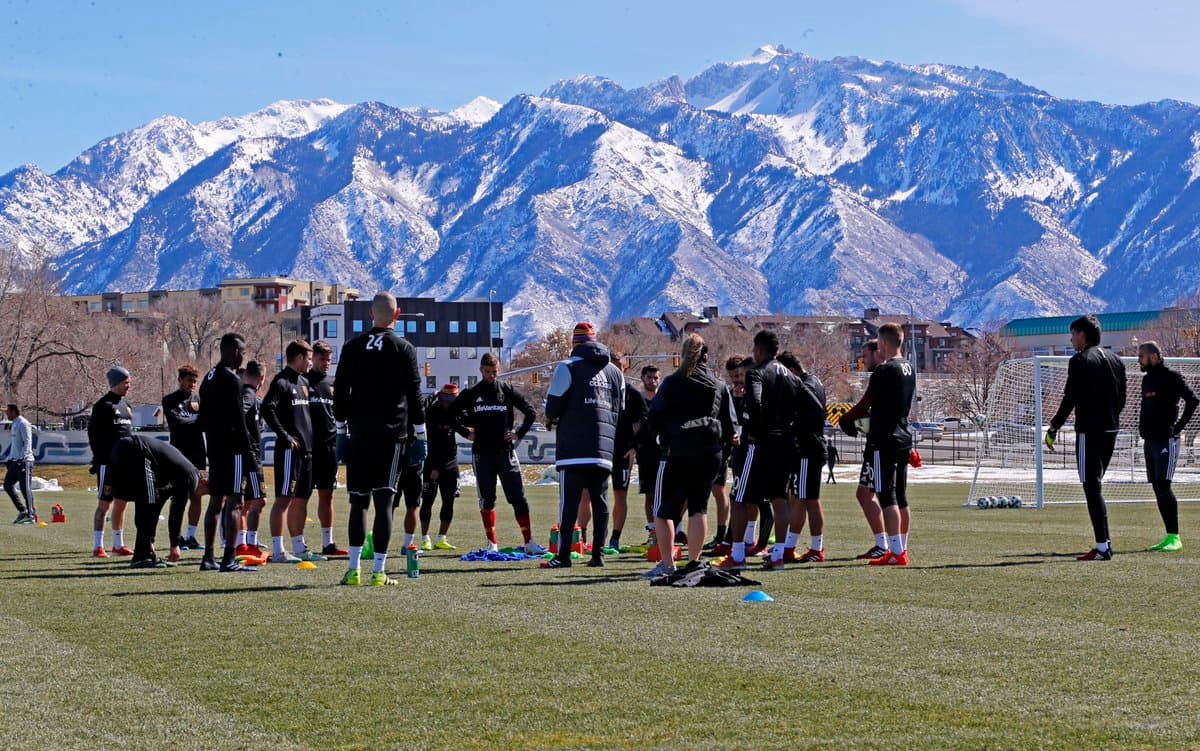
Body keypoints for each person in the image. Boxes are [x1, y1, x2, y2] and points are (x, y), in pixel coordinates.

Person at [333, 292, 426, 586]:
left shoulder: (352, 347)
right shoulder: (404, 348)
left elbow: (340, 393)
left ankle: (353, 570)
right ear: (396, 316)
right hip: (392, 436)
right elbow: (414, 396)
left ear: (371, 315)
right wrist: (421, 435)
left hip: (359, 434)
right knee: (384, 502)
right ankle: (378, 571)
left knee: (358, 502)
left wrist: (340, 431)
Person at [644, 334, 737, 579]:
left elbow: (654, 417)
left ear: (683, 354)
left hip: (679, 451)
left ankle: (667, 564)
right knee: (699, 508)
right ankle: (694, 562)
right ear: (706, 356)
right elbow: (729, 427)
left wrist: (660, 438)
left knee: (664, 513)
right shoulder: (718, 385)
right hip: (710, 453)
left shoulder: (673, 382)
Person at [542, 322, 624, 568]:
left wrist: (553, 418)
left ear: (574, 344)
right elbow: (620, 409)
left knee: (570, 503)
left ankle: (564, 556)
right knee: (601, 502)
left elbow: (553, 405)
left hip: (573, 448)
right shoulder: (614, 372)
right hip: (603, 448)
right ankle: (598, 555)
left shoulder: (567, 367)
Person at [1045, 315, 1127, 561]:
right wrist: (1110, 418)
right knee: (1096, 486)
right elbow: (1121, 398)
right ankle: (1105, 542)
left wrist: (1054, 427)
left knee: (1091, 487)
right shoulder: (1116, 360)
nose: (1071, 339)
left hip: (1089, 431)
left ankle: (1102, 547)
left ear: (1082, 334)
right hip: (1111, 429)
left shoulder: (1079, 360)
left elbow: (1070, 397)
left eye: (1072, 334)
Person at [451, 352, 545, 554]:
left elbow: (530, 412)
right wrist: (465, 432)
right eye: (487, 372)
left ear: (499, 370)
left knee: (518, 497)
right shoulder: (472, 393)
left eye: (494, 372)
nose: (491, 376)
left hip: (505, 453)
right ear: (481, 371)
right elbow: (450, 415)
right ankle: (492, 543)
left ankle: (529, 542)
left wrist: (518, 433)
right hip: (482, 455)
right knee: (487, 499)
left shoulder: (506, 391)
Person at [718, 331, 796, 571]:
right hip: (785, 445)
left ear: (760, 351)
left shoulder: (757, 373)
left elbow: (756, 403)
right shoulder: (791, 377)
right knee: (779, 500)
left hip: (759, 445)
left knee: (739, 499)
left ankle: (738, 555)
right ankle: (778, 556)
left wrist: (756, 428)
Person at [841, 323, 916, 566]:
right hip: (903, 436)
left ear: (883, 343)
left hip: (883, 439)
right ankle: (901, 548)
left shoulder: (884, 370)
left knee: (887, 497)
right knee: (901, 498)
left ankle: (895, 553)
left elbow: (865, 403)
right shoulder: (908, 368)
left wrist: (845, 418)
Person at [198, 334, 258, 573]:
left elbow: (203, 417)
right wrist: (249, 453)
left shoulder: (208, 378)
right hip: (232, 450)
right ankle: (229, 559)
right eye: (242, 352)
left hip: (214, 448)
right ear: (234, 351)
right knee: (235, 502)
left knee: (215, 502)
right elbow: (238, 420)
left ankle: (208, 557)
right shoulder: (231, 380)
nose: (244, 357)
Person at [262, 339, 325, 563]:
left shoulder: (303, 382)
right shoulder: (281, 382)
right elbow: (266, 408)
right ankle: (278, 551)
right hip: (290, 452)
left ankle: (299, 547)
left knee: (301, 499)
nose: (310, 363)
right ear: (298, 358)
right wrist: (285, 436)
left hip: (307, 452)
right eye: (308, 358)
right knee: (284, 499)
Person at [1136, 341, 1198, 552]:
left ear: (1153, 356)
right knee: (1156, 487)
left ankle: (1175, 537)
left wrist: (1177, 427)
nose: (1139, 360)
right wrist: (1141, 430)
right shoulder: (1146, 380)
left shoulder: (1172, 376)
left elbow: (1193, 400)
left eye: (1141, 356)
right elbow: (1144, 408)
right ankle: (1168, 536)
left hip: (1167, 441)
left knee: (1164, 485)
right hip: (1149, 441)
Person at [108, 435, 200, 569]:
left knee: (147, 503)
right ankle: (142, 555)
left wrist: (150, 539)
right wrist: (175, 545)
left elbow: (158, 505)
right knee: (148, 503)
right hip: (137, 450)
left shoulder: (175, 474)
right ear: (204, 481)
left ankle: (144, 553)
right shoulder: (192, 477)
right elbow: (177, 511)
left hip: (122, 450)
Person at [773, 351, 827, 567]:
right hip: (808, 448)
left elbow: (813, 411)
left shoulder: (806, 386)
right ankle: (798, 546)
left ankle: (807, 547)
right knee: (801, 498)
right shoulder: (813, 381)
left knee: (806, 499)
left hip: (808, 449)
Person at [88, 366, 135, 557]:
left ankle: (118, 545)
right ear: (115, 383)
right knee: (104, 505)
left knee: (122, 503)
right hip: (108, 464)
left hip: (125, 465)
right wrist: (100, 459)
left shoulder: (126, 406)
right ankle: (98, 546)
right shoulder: (102, 406)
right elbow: (93, 435)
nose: (128, 386)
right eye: (126, 382)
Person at [307, 340, 347, 557]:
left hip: (329, 448)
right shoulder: (303, 381)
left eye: (328, 360)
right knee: (300, 496)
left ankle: (328, 543)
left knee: (327, 496)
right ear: (312, 358)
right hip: (307, 449)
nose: (325, 363)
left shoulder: (334, 383)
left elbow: (341, 413)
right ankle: (299, 544)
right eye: (321, 359)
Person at [850, 339, 889, 559]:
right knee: (866, 493)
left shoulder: (882, 374)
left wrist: (852, 418)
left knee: (877, 494)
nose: (862, 360)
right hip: (876, 442)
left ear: (877, 352)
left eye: (865, 355)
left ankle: (886, 545)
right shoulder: (884, 374)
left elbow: (867, 405)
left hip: (879, 445)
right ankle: (885, 544)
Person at [161, 365, 206, 550]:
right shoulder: (169, 400)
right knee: (179, 497)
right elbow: (176, 423)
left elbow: (206, 423)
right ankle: (176, 537)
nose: (192, 385)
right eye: (189, 381)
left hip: (198, 454)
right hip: (178, 455)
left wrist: (196, 422)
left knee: (197, 496)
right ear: (180, 380)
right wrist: (198, 421)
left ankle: (191, 537)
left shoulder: (199, 400)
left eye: (195, 381)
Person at [419, 384, 464, 550]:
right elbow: (435, 443)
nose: (449, 403)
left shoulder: (456, 411)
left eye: (452, 400)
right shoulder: (432, 412)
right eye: (446, 400)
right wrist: (432, 395)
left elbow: (466, 421)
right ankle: (425, 538)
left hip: (451, 463)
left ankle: (441, 538)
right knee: (428, 500)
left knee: (449, 501)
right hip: (433, 463)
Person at [232, 362, 268, 565]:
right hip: (249, 457)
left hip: (251, 457)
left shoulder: (253, 396)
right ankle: (244, 544)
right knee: (255, 502)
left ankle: (246, 543)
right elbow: (237, 416)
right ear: (262, 378)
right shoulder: (247, 394)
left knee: (250, 502)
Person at [635, 365, 662, 545]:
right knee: (650, 494)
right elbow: (634, 426)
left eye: (655, 377)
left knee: (668, 493)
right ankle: (653, 532)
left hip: (665, 453)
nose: (652, 381)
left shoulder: (664, 398)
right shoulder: (638, 399)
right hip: (646, 454)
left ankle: (674, 531)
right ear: (643, 378)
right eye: (649, 377)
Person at [4, 403, 36, 524]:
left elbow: (27, 442)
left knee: (25, 488)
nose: (6, 414)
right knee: (7, 485)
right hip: (14, 461)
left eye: (8, 412)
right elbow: (15, 445)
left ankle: (31, 515)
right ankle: (22, 511)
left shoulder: (23, 423)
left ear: (13, 411)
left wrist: (22, 459)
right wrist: (10, 458)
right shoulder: (14, 423)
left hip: (24, 461)